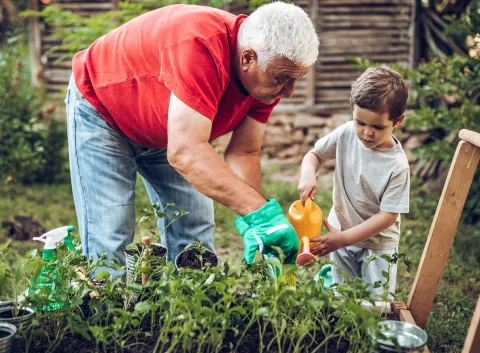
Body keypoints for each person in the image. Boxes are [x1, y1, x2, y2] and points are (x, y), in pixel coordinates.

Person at [65, 2, 319, 273]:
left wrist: (255, 220)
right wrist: (262, 213)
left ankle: (185, 311)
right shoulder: (201, 45)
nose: (289, 91)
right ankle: (103, 313)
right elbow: (185, 151)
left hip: (172, 130)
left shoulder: (266, 82)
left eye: (297, 79)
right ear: (247, 58)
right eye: (284, 78)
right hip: (103, 113)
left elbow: (244, 152)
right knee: (111, 234)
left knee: (194, 230)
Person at [297, 67, 410, 298]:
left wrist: (344, 239)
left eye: (378, 127)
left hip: (378, 245)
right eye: (360, 123)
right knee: (343, 298)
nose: (367, 133)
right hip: (340, 230)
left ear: (398, 121)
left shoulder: (397, 166)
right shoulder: (347, 133)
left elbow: (388, 217)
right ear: (353, 112)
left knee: (375, 305)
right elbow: (314, 155)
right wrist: (308, 173)